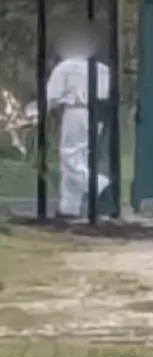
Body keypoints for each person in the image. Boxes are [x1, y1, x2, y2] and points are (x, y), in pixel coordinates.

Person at [46, 27, 110, 218]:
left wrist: (32, 113)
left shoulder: (65, 67)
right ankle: (69, 207)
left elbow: (52, 97)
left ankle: (100, 185)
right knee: (80, 157)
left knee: (70, 158)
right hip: (97, 114)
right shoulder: (101, 68)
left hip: (76, 112)